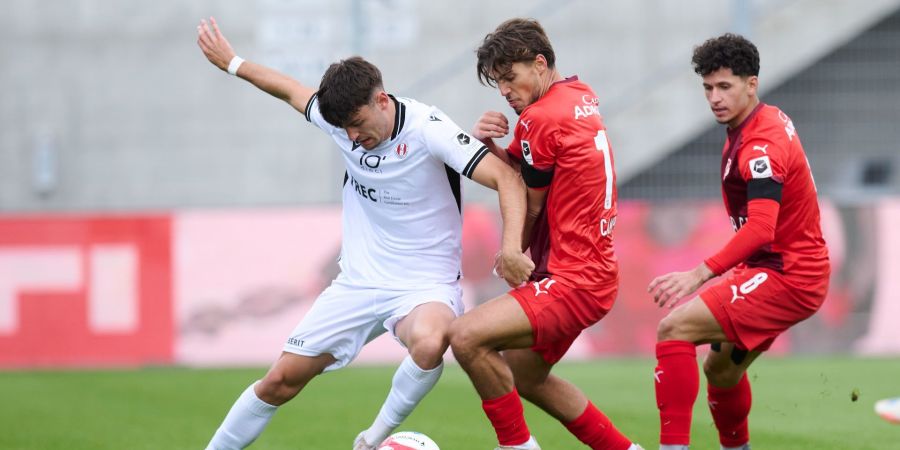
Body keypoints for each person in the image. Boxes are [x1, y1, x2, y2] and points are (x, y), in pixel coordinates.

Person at [196, 17, 534, 450]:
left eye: (358, 123)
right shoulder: (341, 120)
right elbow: (288, 89)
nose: (353, 138)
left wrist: (510, 248)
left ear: (381, 99)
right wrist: (233, 62)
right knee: (279, 381)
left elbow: (508, 179)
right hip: (357, 283)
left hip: (423, 287)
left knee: (432, 343)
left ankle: (372, 439)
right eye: (345, 129)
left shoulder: (430, 129)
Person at [448, 18, 642, 450]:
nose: (504, 91)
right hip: (592, 273)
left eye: (509, 77)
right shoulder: (579, 95)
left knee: (465, 337)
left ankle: (517, 447)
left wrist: (511, 249)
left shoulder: (538, 117)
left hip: (572, 280)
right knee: (526, 375)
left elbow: (528, 200)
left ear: (539, 64)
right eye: (497, 82)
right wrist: (496, 150)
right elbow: (535, 172)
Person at [647, 33, 830, 450]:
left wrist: (698, 274)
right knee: (722, 371)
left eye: (725, 86)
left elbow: (762, 228)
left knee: (673, 330)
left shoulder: (760, 143)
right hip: (781, 268)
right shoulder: (760, 120)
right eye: (708, 88)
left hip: (786, 275)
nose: (714, 97)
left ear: (752, 84)